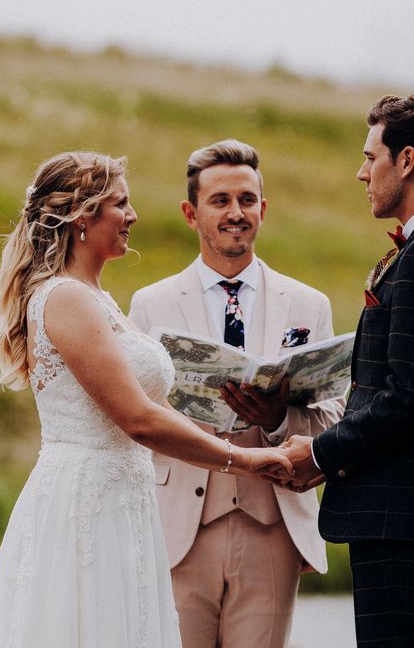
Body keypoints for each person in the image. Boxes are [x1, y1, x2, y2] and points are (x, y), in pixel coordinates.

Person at [0, 151, 293, 648]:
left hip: (125, 499)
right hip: (87, 501)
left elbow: (155, 409)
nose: (133, 216)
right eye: (121, 204)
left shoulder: (97, 298)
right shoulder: (66, 298)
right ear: (82, 216)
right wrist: (243, 460)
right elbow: (139, 420)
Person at [276, 95, 414, 647]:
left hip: (405, 513)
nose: (361, 172)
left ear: (406, 160)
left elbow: (413, 398)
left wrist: (321, 454)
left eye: (369, 157)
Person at [128, 139, 344, 648]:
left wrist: (277, 420)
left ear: (263, 209)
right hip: (178, 524)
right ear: (191, 212)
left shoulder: (308, 305)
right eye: (220, 200)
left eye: (247, 200)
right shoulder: (150, 304)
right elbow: (134, 413)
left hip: (272, 522)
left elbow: (335, 415)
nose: (235, 213)